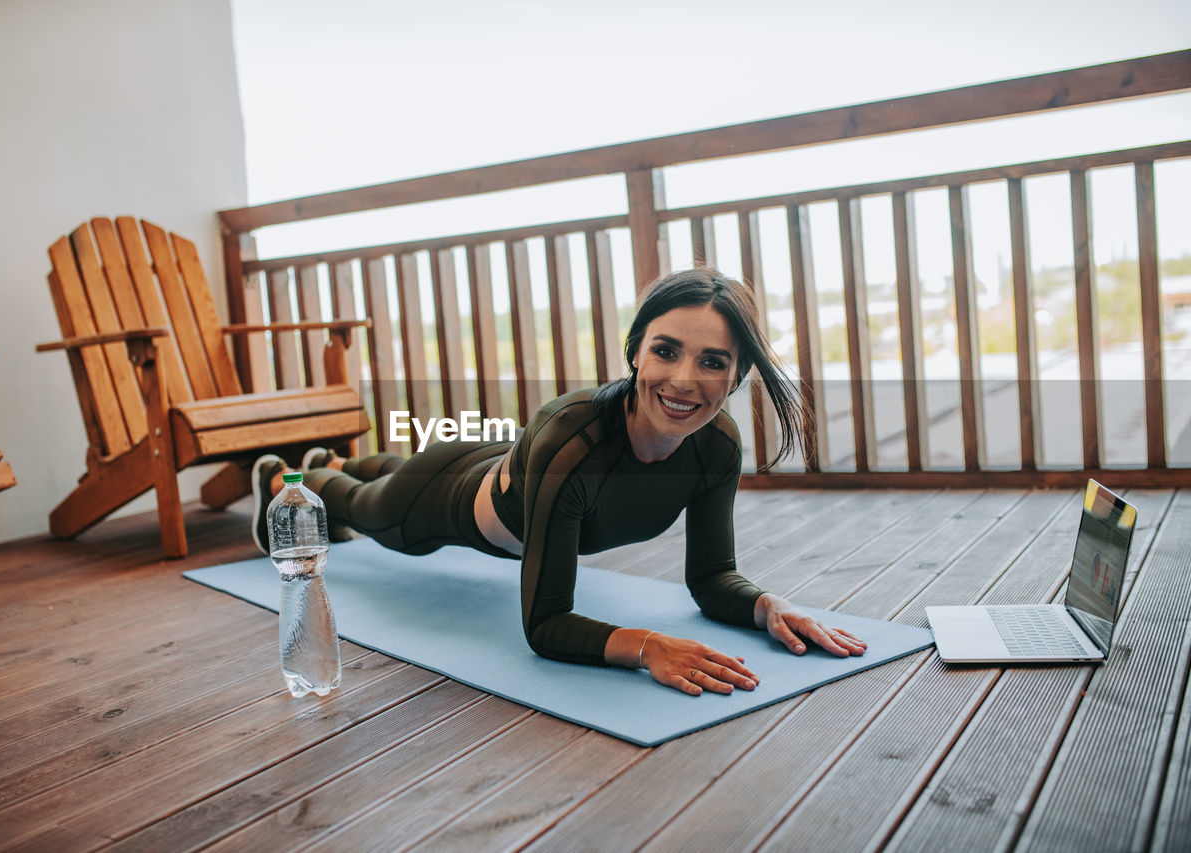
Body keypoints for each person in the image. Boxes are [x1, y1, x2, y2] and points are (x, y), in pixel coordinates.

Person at [251, 267, 866, 696]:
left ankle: (343, 462)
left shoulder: (716, 448)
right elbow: (544, 625)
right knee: (363, 507)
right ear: (635, 354)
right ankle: (289, 478)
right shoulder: (574, 441)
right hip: (443, 501)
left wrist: (768, 607)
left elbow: (710, 577)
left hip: (504, 461)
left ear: (736, 378)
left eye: (713, 362)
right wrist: (651, 647)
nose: (684, 380)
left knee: (382, 472)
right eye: (666, 351)